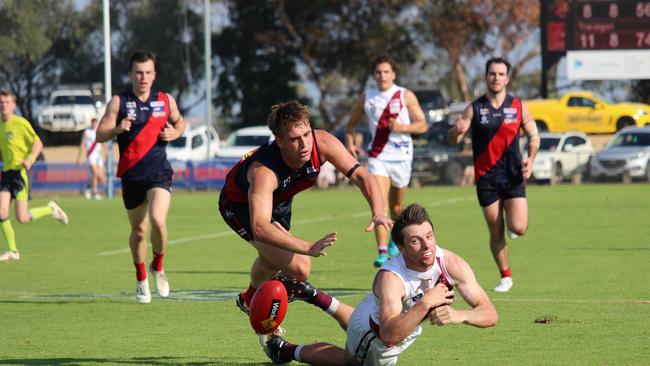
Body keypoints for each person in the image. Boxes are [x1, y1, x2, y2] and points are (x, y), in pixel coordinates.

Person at [218, 100, 392, 339]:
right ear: (279, 141)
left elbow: (361, 175)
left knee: (271, 261)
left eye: (306, 134)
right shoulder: (264, 172)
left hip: (279, 203)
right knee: (299, 268)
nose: (304, 144)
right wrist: (307, 247)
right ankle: (264, 315)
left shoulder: (322, 142)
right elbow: (260, 227)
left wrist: (378, 210)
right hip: (239, 206)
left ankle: (249, 299)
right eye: (294, 139)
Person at [263, 203, 498, 365]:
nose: (427, 246)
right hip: (374, 334)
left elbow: (489, 313)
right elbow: (389, 336)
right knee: (348, 362)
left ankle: (314, 295)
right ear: (402, 248)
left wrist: (460, 316)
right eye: (416, 241)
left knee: (363, 323)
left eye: (429, 236)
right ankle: (285, 349)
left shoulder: (451, 262)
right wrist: (426, 302)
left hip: (372, 313)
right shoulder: (391, 278)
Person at [96, 50, 185, 304]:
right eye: (138, 72)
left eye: (147, 72)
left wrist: (175, 133)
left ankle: (159, 266)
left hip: (159, 172)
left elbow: (181, 124)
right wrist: (117, 129)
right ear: (131, 74)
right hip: (132, 176)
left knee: (158, 221)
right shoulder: (119, 102)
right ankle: (141, 277)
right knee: (139, 229)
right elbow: (99, 134)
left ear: (154, 74)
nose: (143, 77)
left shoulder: (165, 100)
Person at [447, 57, 539, 292]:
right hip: (486, 177)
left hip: (513, 174)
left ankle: (513, 225)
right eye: (492, 74)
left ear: (507, 78)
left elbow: (534, 136)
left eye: (500, 74)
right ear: (486, 77)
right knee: (495, 228)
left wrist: (531, 157)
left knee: (519, 228)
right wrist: (455, 132)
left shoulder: (518, 106)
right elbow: (455, 138)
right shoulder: (475, 108)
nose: (496, 78)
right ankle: (505, 276)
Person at [345, 54, 427, 268]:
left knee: (397, 207)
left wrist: (403, 128)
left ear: (394, 74)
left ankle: (393, 240)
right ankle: (382, 252)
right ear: (373, 75)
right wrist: (350, 143)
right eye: (378, 72)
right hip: (378, 156)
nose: (382, 75)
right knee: (378, 202)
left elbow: (422, 125)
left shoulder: (404, 95)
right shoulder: (367, 96)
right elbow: (350, 126)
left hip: (402, 156)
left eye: (386, 71)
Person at [0, 90, 69, 262]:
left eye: (7, 102)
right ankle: (13, 251)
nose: (4, 105)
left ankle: (51, 209)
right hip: (6, 174)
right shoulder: (0, 126)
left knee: (22, 218)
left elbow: (38, 142)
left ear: (13, 105)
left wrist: (30, 159)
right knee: (1, 211)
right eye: (1, 102)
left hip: (20, 175)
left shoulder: (20, 123)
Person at [77, 118, 107, 200]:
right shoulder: (87, 132)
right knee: (95, 174)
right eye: (93, 123)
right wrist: (79, 157)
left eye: (96, 123)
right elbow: (83, 144)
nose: (94, 125)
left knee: (101, 177)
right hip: (91, 155)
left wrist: (106, 152)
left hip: (98, 156)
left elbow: (104, 142)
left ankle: (88, 188)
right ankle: (95, 192)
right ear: (91, 124)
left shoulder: (99, 131)